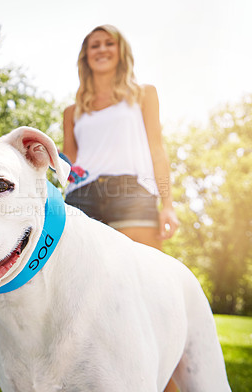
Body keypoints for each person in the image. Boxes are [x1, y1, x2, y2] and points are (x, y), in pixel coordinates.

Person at [63, 25, 179, 391]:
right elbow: (71, 165)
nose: (101, 49)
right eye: (93, 45)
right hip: (82, 197)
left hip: (132, 192)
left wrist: (168, 204)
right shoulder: (72, 110)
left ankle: (169, 384)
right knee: (78, 294)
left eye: (108, 43)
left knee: (151, 289)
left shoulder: (143, 95)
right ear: (86, 56)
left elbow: (157, 150)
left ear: (120, 50)